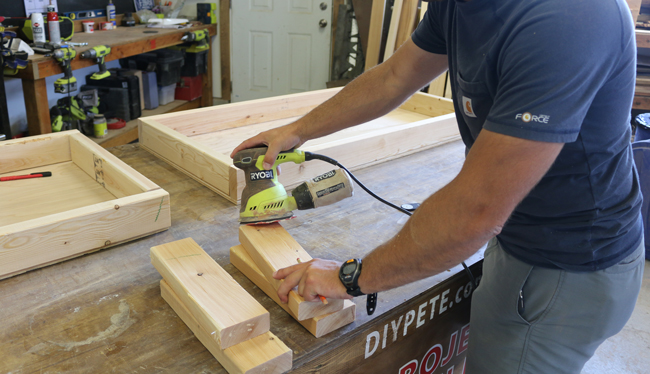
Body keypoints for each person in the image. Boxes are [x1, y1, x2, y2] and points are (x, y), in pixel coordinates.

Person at [230, 0, 645, 372]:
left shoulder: (567, 19)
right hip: (518, 239)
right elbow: (394, 76)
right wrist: (298, 130)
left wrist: (349, 278)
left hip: (566, 270)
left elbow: (475, 213)